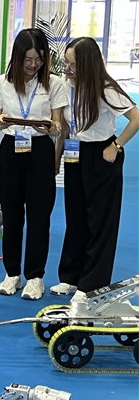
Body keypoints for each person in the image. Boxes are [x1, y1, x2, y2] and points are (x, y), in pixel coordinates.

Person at [51, 37, 139, 312]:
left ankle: (91, 285)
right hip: (74, 153)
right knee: (75, 217)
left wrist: (116, 146)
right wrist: (57, 158)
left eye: (73, 65)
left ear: (88, 64)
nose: (67, 69)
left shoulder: (106, 89)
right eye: (65, 63)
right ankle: (71, 277)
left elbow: (136, 118)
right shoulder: (65, 86)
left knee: (101, 222)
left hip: (102, 155)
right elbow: (65, 128)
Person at [0, 29, 67, 300]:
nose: (33, 65)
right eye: (28, 60)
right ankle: (12, 274)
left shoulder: (54, 83)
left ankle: (35, 277)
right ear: (17, 57)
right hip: (10, 150)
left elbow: (58, 124)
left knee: (39, 216)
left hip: (40, 149)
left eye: (39, 59)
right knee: (12, 216)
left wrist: (51, 128)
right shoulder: (2, 83)